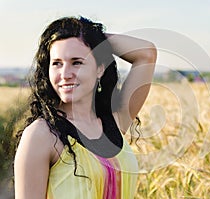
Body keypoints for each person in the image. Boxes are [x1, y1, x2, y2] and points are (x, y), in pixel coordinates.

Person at [14, 16, 157, 199]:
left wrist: (91, 36)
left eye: (77, 62)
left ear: (100, 68)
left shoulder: (115, 120)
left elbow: (146, 53)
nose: (65, 74)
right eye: (57, 63)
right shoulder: (42, 135)